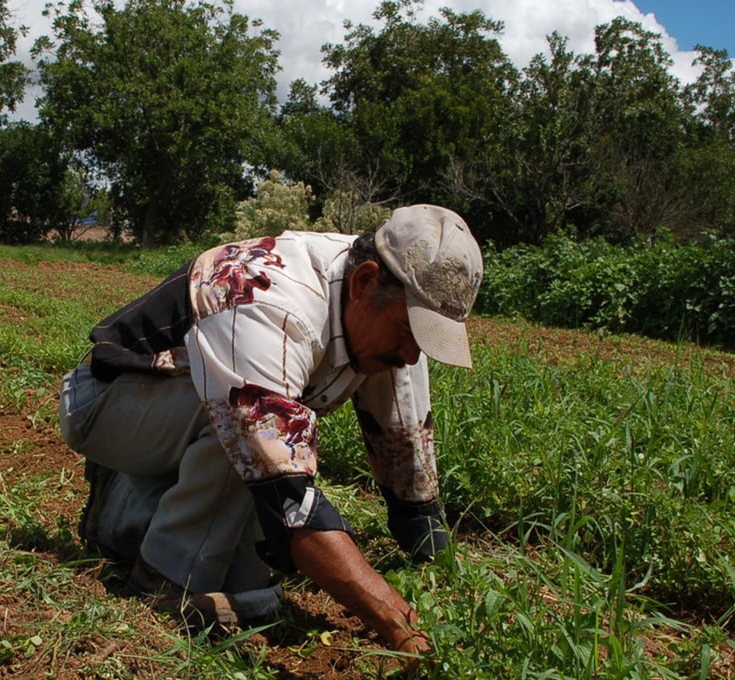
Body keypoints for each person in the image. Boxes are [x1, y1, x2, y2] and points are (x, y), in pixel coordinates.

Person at [59, 204, 483, 669]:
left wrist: (432, 557)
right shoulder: (269, 302)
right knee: (246, 432)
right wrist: (399, 622)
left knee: (251, 583)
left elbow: (404, 447)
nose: (410, 354)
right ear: (364, 282)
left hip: (175, 409)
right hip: (105, 403)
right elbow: (288, 499)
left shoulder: (385, 306)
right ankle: (165, 583)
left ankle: (125, 502)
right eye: (408, 332)